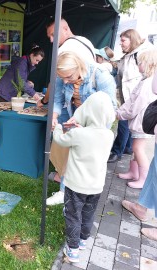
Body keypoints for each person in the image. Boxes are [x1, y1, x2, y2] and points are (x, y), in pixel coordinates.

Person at [37, 17, 96, 205]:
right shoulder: (86, 41)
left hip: (71, 106)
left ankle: (65, 189)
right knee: (72, 146)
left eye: (53, 35)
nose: (52, 41)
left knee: (66, 146)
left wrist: (44, 101)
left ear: (65, 28)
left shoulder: (64, 50)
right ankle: (63, 179)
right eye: (49, 37)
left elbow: (55, 85)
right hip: (84, 105)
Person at [46, 51, 117, 206]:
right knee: (65, 148)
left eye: (69, 77)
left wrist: (89, 131)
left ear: (79, 67)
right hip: (74, 117)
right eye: (61, 77)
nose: (64, 81)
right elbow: (57, 100)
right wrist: (54, 117)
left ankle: (81, 193)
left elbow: (110, 109)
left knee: (85, 158)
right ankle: (64, 189)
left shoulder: (100, 75)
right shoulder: (63, 75)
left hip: (95, 124)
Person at [53, 91, 115, 262]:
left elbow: (60, 139)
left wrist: (61, 126)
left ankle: (72, 250)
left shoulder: (78, 134)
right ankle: (82, 241)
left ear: (87, 111)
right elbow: (91, 137)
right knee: (88, 214)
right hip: (96, 186)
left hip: (75, 185)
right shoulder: (109, 135)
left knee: (73, 214)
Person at [121, 70, 157, 241]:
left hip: (144, 124)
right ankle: (141, 206)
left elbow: (154, 88)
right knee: (154, 171)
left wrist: (120, 113)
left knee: (141, 152)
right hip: (148, 126)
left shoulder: (149, 79)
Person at [108, 29, 153, 163]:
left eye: (123, 40)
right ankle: (126, 148)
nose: (120, 43)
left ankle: (116, 152)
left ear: (132, 39)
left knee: (123, 123)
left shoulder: (141, 54)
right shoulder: (130, 54)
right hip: (128, 96)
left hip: (134, 97)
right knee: (127, 125)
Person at [116, 49, 157, 189]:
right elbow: (131, 100)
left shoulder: (147, 83)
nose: (138, 66)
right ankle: (134, 172)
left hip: (143, 123)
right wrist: (120, 110)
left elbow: (135, 106)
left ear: (148, 64)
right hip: (140, 122)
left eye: (140, 63)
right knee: (135, 148)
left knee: (137, 148)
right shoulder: (144, 80)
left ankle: (143, 179)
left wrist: (121, 114)